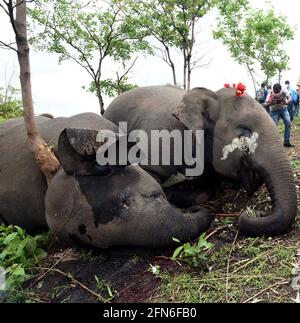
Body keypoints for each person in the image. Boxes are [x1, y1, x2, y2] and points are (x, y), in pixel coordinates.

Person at [265, 83, 294, 148]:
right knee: (274, 127)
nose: (276, 93)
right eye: (275, 92)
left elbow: (290, 99)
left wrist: (286, 102)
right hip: (274, 111)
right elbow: (266, 103)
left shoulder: (284, 90)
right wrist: (270, 103)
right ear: (273, 90)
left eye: (278, 92)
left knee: (288, 123)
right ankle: (274, 144)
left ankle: (286, 142)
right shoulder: (270, 93)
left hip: (284, 109)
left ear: (281, 89)